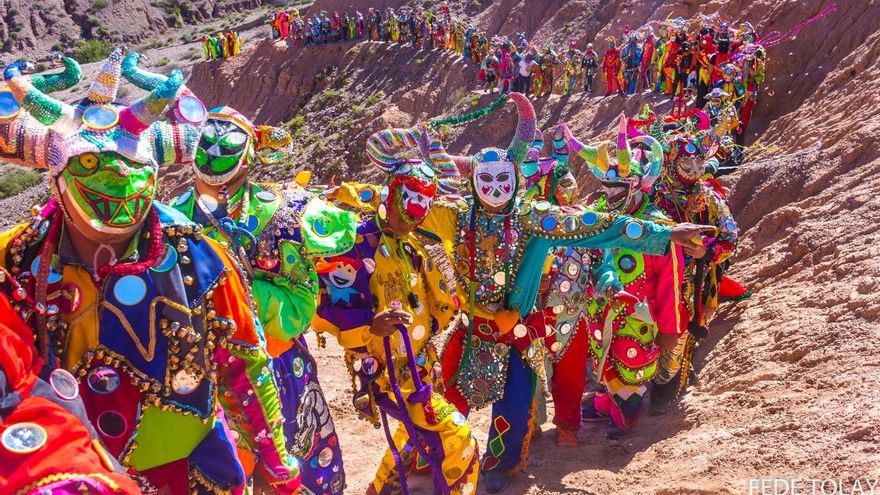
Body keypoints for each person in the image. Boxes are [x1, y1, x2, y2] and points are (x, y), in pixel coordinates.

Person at [339, 94, 714, 492]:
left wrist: (666, 233)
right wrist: (347, 196)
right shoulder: (455, 215)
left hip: (516, 335)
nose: (496, 188)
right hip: (470, 334)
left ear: (516, 180)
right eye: (486, 180)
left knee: (515, 411)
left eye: (504, 179)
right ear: (473, 182)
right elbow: (403, 204)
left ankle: (498, 474)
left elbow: (592, 224)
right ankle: (418, 471)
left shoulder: (532, 216)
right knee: (437, 408)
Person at [0, 48, 301, 493]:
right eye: (89, 163)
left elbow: (244, 364)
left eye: (135, 165)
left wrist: (278, 467)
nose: (118, 175)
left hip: (186, 474)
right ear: (58, 176)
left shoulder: (197, 258)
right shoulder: (18, 258)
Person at [167, 102, 357, 494]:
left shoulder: (278, 216)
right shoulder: (172, 219)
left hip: (276, 365)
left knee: (282, 471)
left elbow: (303, 302)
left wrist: (234, 294)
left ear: (248, 164)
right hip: (203, 373)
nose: (217, 188)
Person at [316, 126, 479, 495]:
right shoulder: (357, 242)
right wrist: (370, 326)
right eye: (409, 204)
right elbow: (326, 301)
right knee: (460, 438)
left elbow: (438, 301)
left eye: (423, 207)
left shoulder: (412, 247)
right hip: (388, 371)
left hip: (421, 366)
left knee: (408, 439)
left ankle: (379, 490)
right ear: (390, 195)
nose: (414, 217)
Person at [566, 116, 686, 439]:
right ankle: (607, 399)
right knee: (601, 351)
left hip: (639, 315)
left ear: (634, 185)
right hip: (603, 307)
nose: (610, 194)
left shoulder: (657, 226)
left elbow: (670, 283)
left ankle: (628, 412)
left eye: (617, 188)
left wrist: (669, 330)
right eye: (606, 188)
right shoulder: (604, 217)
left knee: (630, 357)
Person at [649, 134, 739, 415]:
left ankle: (665, 394)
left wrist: (706, 252)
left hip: (692, 283)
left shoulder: (710, 197)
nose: (694, 166)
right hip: (651, 279)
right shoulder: (651, 194)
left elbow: (730, 237)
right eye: (686, 160)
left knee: (680, 336)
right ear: (670, 161)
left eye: (699, 159)